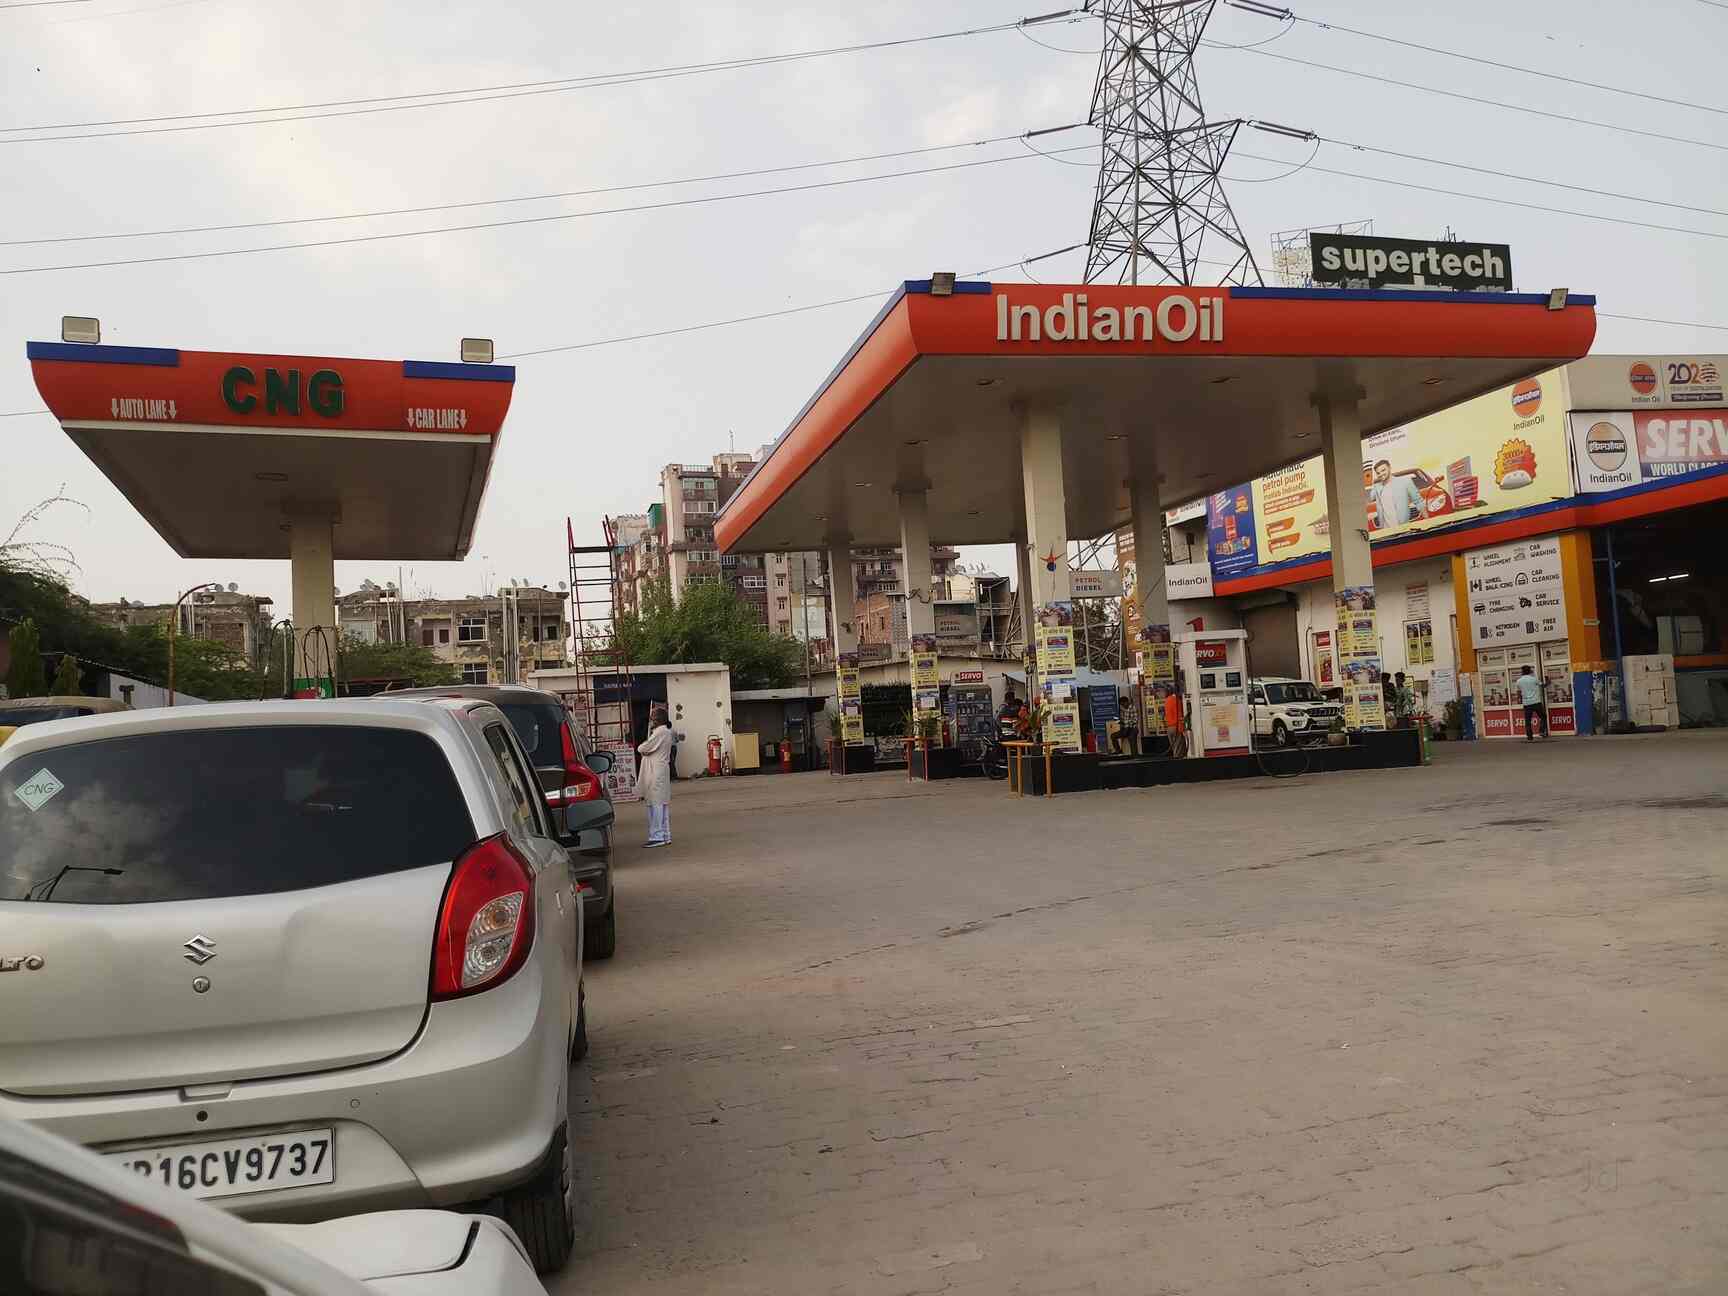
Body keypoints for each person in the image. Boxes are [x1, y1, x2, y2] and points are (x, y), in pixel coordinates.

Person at [636, 706, 675, 847]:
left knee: (655, 804)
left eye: (652, 718)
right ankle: (665, 835)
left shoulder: (660, 732)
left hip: (656, 773)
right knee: (661, 804)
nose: (651, 721)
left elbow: (642, 748)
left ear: (658, 720)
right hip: (659, 771)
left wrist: (645, 750)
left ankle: (657, 836)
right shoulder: (665, 732)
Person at [1367, 459, 1425, 531]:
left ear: (1389, 468)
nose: (1381, 474)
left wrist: (1427, 520)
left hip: (1403, 527)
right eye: (1378, 473)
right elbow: (1371, 498)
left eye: (1383, 470)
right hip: (1385, 530)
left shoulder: (1405, 481)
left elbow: (1418, 501)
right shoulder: (1377, 487)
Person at [1517, 665, 1547, 741]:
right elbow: (1543, 685)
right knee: (1543, 717)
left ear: (1522, 672)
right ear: (1530, 671)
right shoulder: (1534, 679)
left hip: (1526, 704)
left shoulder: (1519, 681)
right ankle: (1541, 731)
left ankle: (1530, 737)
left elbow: (1519, 692)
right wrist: (1548, 681)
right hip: (1536, 702)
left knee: (1528, 721)